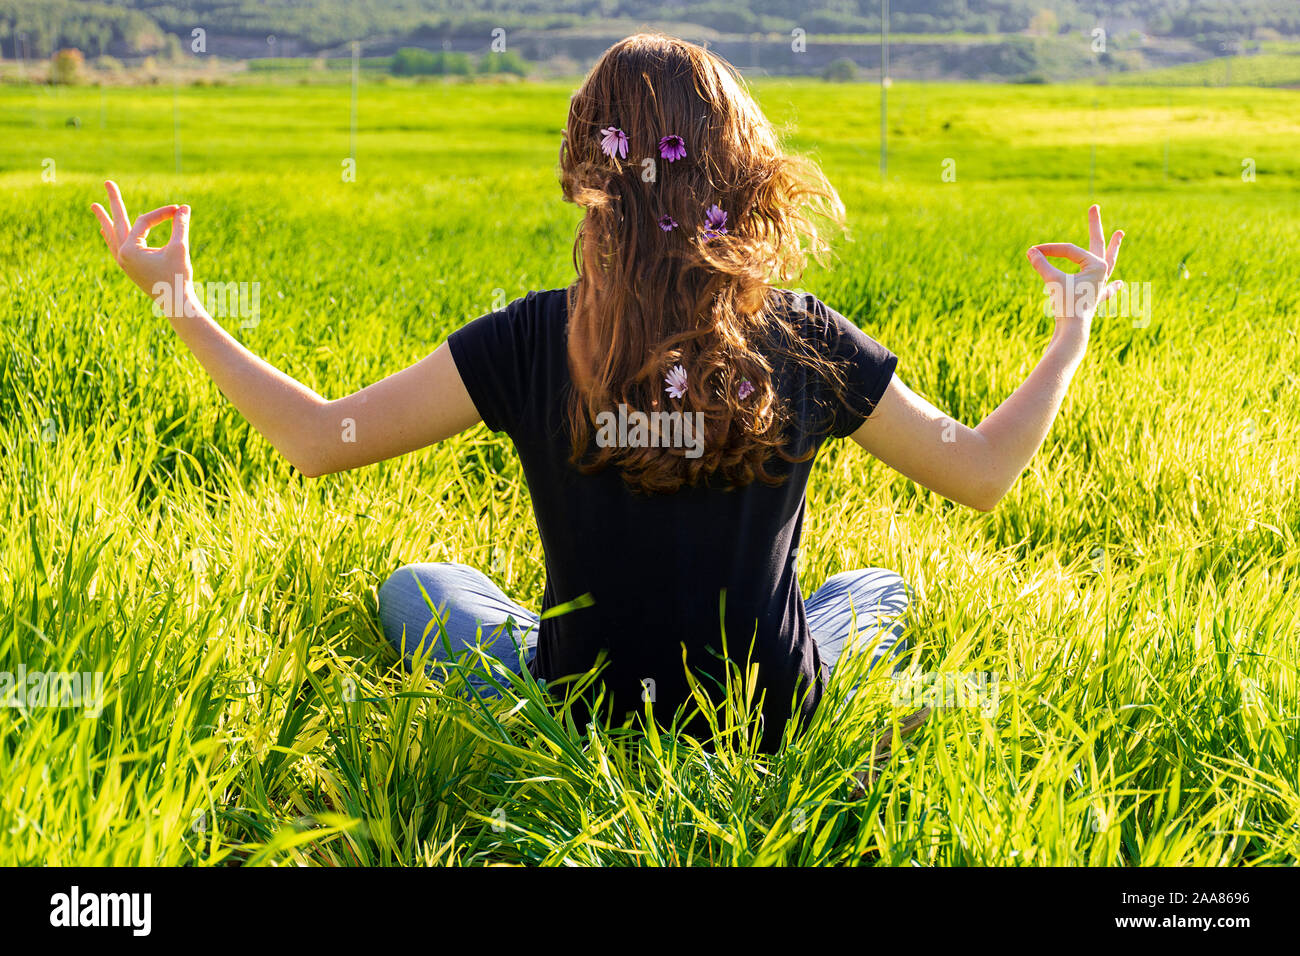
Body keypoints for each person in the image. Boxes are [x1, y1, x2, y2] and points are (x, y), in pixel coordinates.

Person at [90, 33, 1123, 754]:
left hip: (586, 706)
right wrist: (1071, 329)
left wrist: (181, 300)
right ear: (737, 166)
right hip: (770, 716)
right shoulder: (802, 335)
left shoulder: (536, 332)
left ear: (590, 169)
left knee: (421, 584)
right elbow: (982, 471)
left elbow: (319, 437)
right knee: (880, 591)